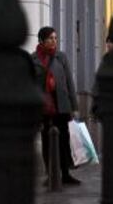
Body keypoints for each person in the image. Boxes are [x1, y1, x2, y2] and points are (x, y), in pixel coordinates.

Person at [32, 26, 80, 186]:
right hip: (44, 107)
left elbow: (69, 82)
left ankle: (66, 174)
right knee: (47, 140)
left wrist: (74, 106)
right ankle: (51, 174)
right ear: (42, 41)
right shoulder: (34, 59)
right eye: (50, 38)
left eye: (55, 38)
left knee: (64, 139)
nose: (54, 41)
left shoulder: (61, 57)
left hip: (61, 105)